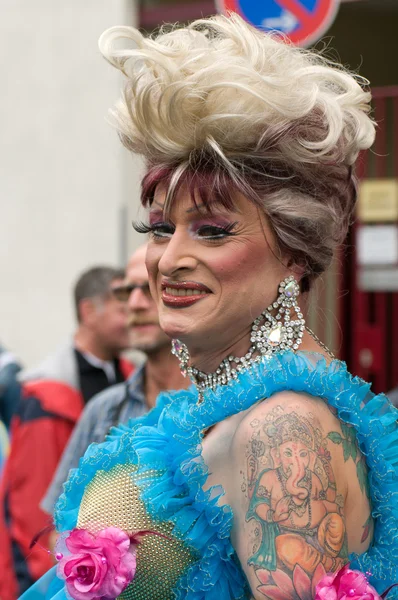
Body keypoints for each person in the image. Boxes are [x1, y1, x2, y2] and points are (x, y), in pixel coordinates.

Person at [20, 14, 398, 600]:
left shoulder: (282, 428)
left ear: (292, 253)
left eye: (214, 231)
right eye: (160, 228)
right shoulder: (231, 404)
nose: (170, 259)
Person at [0, 266, 133, 600]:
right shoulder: (45, 398)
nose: (134, 311)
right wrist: (55, 584)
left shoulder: (133, 379)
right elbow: (34, 511)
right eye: (122, 304)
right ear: (89, 311)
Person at [41, 244, 188, 517]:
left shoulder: (224, 403)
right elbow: (56, 525)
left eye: (150, 287)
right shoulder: (103, 410)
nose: (133, 303)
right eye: (125, 292)